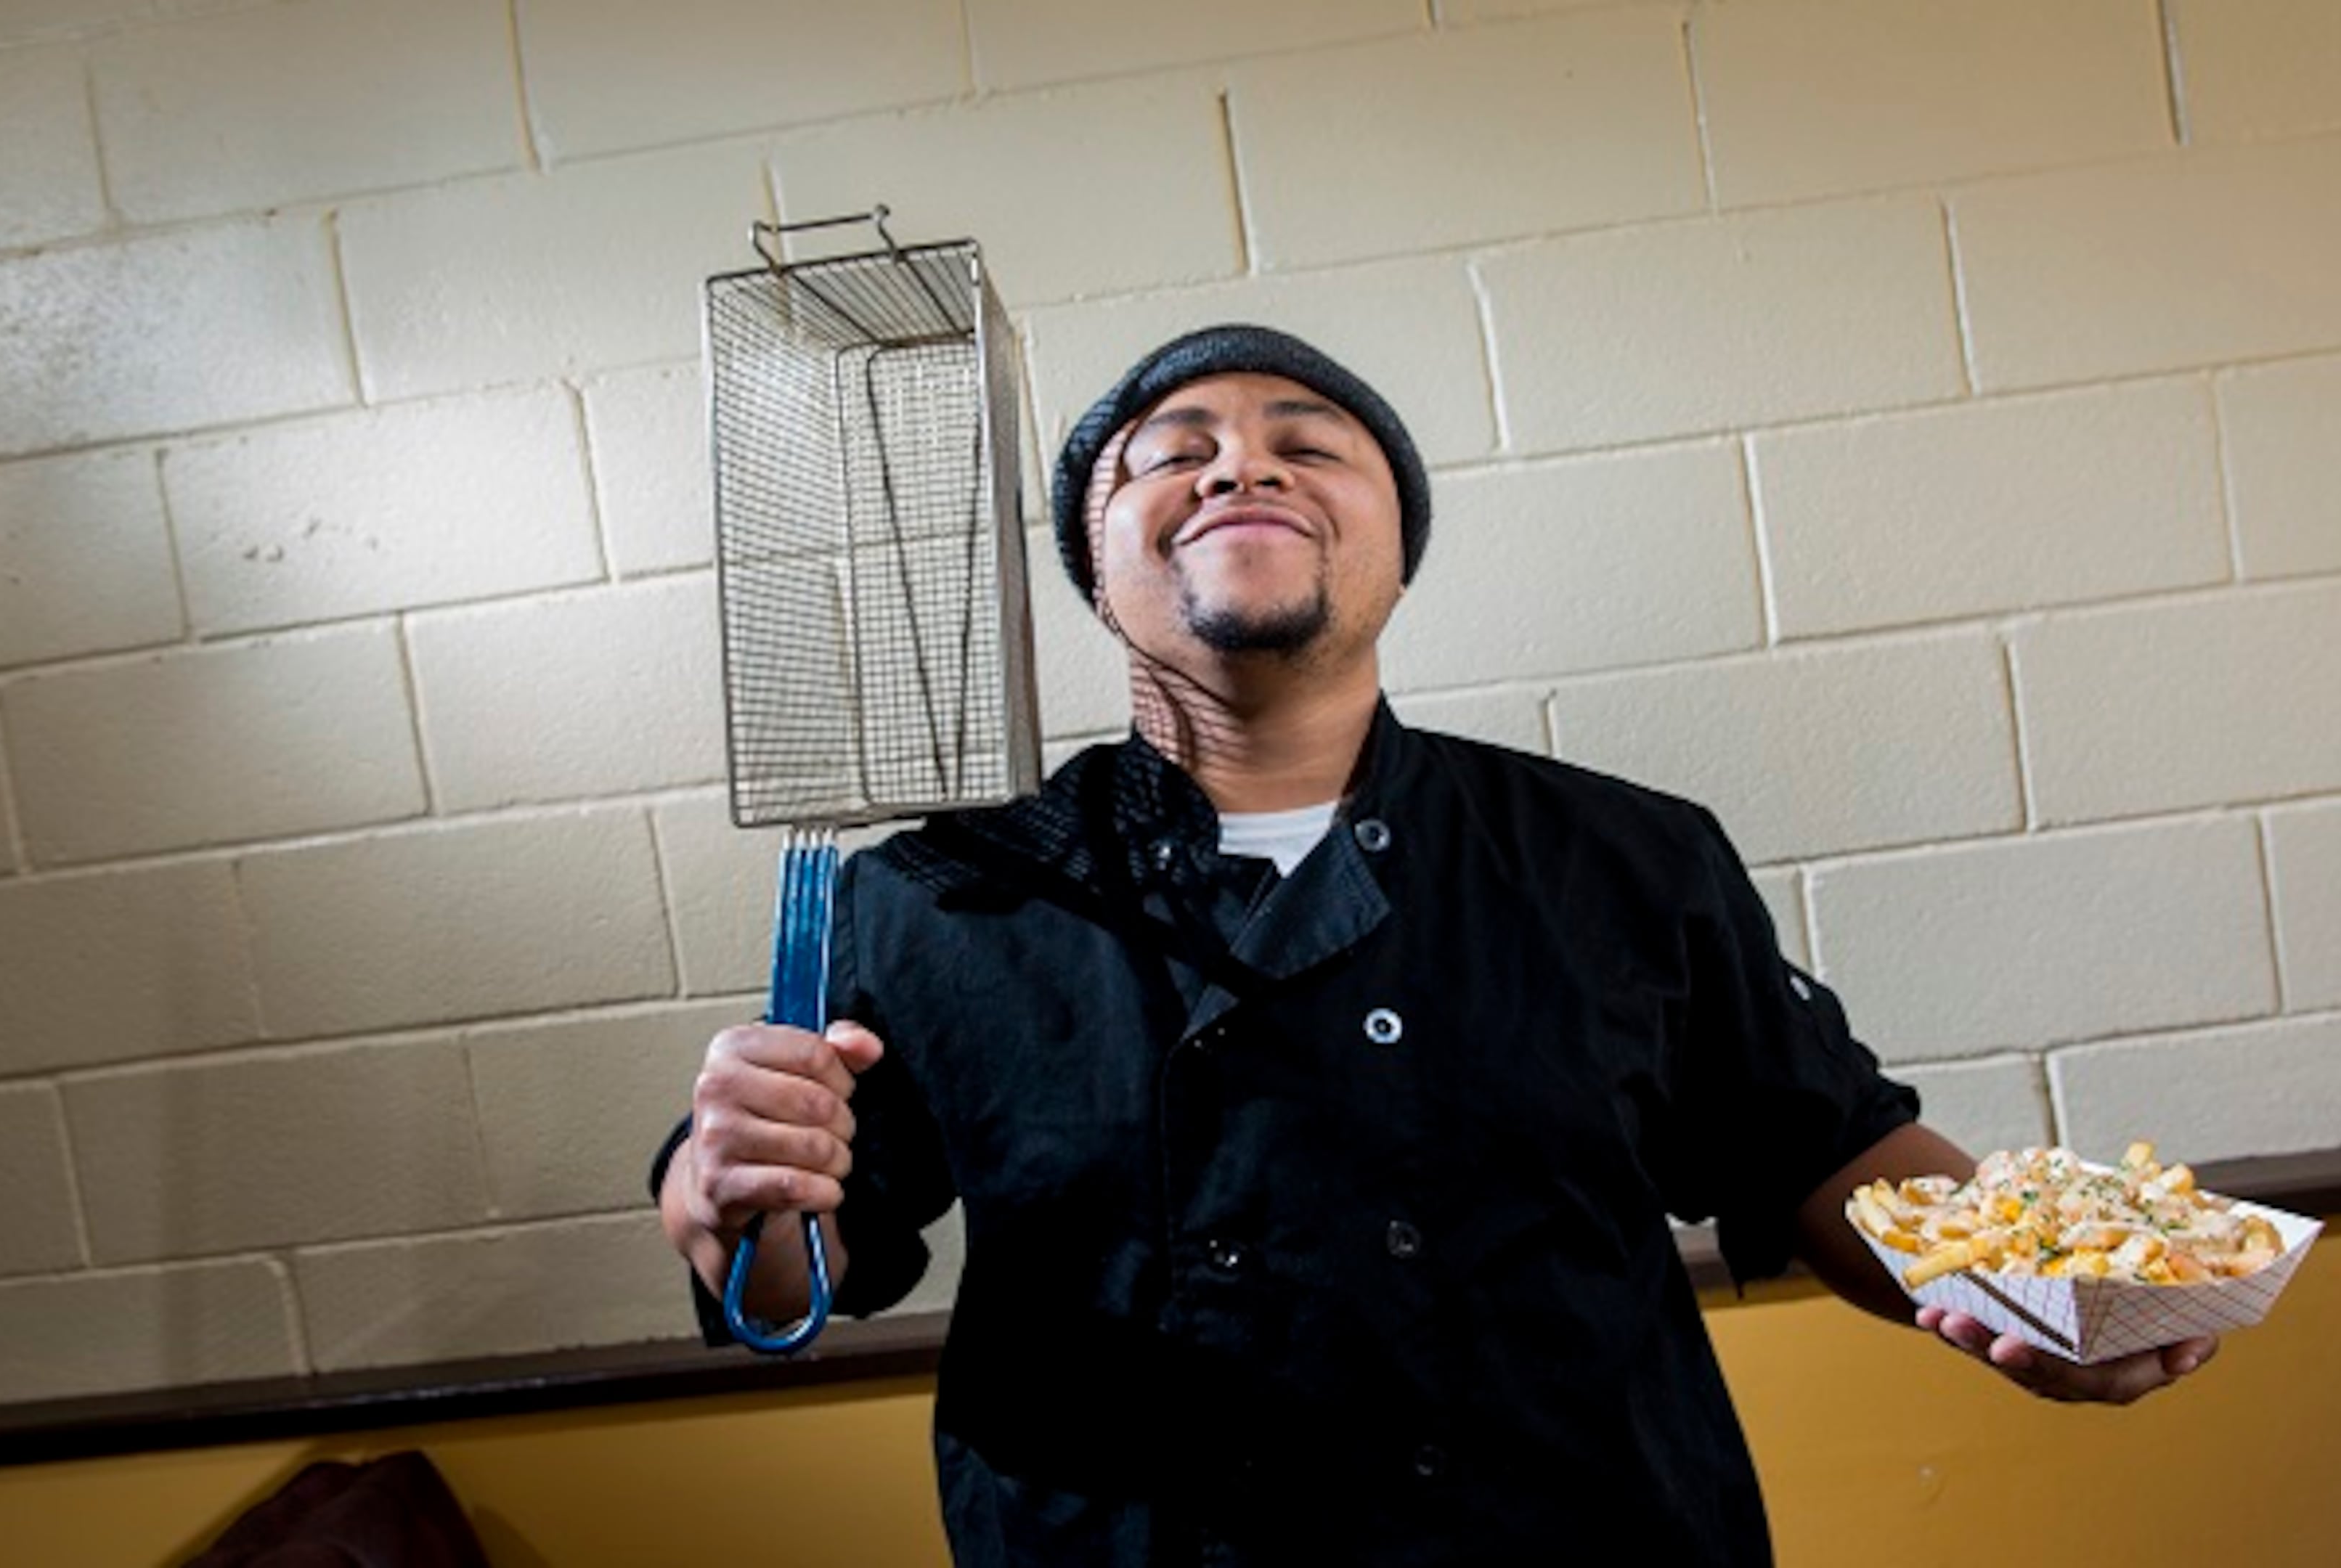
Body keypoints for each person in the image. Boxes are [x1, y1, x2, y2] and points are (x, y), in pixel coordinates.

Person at [654, 324, 2216, 1565]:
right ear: (1095, 567)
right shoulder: (944, 894)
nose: (1232, 468)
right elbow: (797, 1267)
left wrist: (2040, 1293)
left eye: (1303, 445)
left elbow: (1822, 1148)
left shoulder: (1622, 856)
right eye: (1168, 457)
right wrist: (726, 1194)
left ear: (1396, 542)